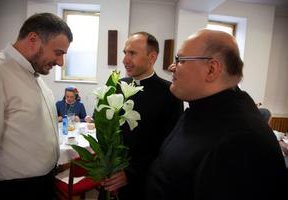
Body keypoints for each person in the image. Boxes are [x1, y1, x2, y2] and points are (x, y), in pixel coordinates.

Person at [145, 29, 287, 200]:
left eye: (180, 60)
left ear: (211, 69)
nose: (171, 67)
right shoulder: (202, 107)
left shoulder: (242, 141)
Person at [0, 13, 73, 199]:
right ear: (33, 39)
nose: (60, 62)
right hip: (14, 190)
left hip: (43, 183)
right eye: (58, 52)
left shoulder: (34, 75)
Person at [99, 32, 183, 200]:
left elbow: (169, 147)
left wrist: (130, 173)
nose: (125, 60)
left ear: (151, 57)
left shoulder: (169, 93)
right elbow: (105, 130)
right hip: (110, 178)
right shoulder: (116, 86)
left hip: (142, 184)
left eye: (132, 53)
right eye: (125, 53)